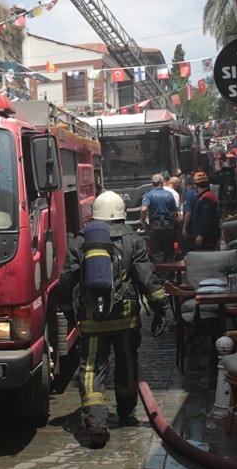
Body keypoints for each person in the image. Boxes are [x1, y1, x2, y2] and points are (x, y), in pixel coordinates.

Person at [58, 191, 166, 448]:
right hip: (126, 315)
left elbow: (67, 280)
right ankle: (126, 410)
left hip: (93, 316)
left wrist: (66, 310)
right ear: (120, 212)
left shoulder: (81, 240)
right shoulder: (132, 239)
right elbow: (146, 276)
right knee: (127, 362)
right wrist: (159, 306)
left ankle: (96, 423)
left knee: (92, 366)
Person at [140, 172, 180, 263]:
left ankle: (160, 275)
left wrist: (144, 222)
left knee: (156, 252)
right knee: (169, 252)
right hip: (168, 226)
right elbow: (175, 213)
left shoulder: (149, 194)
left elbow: (143, 209)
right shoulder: (170, 194)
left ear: (152, 183)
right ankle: (169, 275)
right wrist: (177, 224)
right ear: (162, 182)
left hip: (155, 225)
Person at [187, 171, 220, 251]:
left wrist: (201, 234)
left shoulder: (206, 198)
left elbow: (206, 218)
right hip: (209, 234)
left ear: (196, 185)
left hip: (207, 236)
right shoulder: (208, 195)